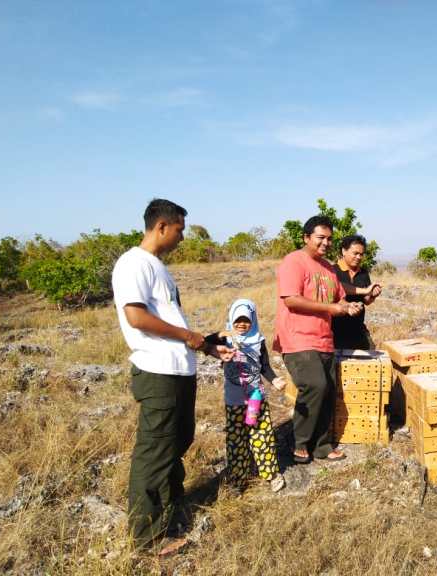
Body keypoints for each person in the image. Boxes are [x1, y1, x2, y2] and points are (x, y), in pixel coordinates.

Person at [111, 199, 233, 549]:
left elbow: (172, 324)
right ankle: (148, 538)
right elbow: (136, 317)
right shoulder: (133, 263)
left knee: (178, 441)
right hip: (158, 372)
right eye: (179, 229)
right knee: (155, 451)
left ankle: (171, 507)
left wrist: (206, 345)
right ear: (161, 226)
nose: (181, 237)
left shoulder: (158, 267)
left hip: (178, 369)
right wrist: (187, 337)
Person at [273, 215, 377, 464]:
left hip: (324, 339)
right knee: (315, 385)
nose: (325, 243)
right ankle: (300, 442)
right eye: (321, 238)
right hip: (297, 338)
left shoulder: (328, 268)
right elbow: (291, 299)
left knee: (328, 391)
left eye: (329, 239)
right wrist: (332, 309)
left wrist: (348, 306)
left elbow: (340, 296)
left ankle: (321, 445)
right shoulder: (294, 262)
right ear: (306, 237)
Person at [205, 299, 286, 493]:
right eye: (238, 320)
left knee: (262, 435)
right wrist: (221, 334)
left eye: (246, 320)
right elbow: (204, 343)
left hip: (255, 398)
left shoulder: (258, 340)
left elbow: (265, 366)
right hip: (234, 400)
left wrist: (274, 380)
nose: (242, 324)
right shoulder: (225, 339)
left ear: (253, 320)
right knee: (236, 440)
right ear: (231, 319)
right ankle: (238, 479)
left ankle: (271, 474)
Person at [332, 234, 382, 350]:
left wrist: (373, 295)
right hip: (336, 332)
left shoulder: (363, 273)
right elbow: (336, 288)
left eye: (361, 254)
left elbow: (366, 300)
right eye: (355, 253)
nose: (359, 257)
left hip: (358, 329)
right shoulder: (332, 271)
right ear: (344, 251)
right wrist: (365, 290)